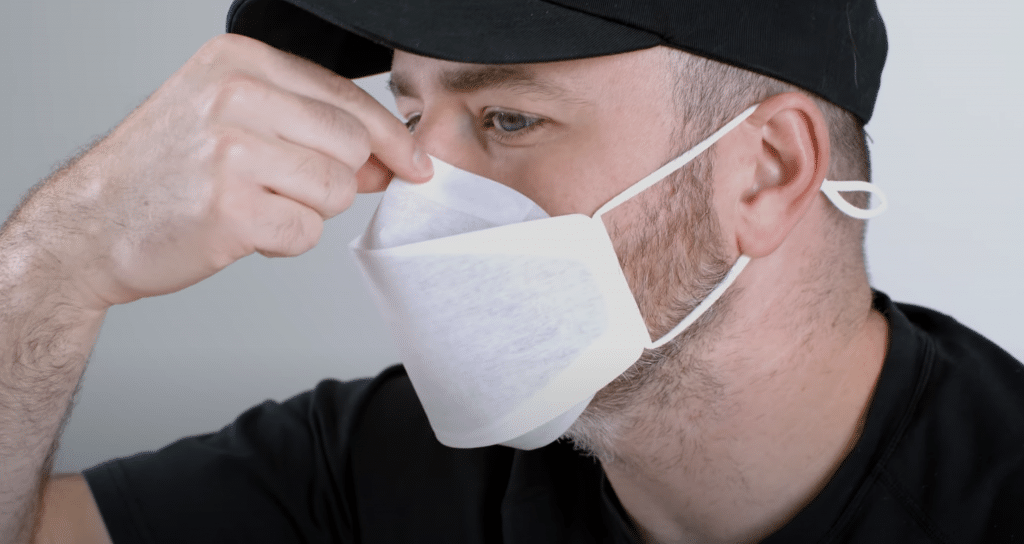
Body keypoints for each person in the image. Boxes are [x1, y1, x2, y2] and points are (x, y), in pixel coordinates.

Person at [1, 0, 1021, 542]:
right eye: (409, 116)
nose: (412, 191)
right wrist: (52, 267)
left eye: (507, 118)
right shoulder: (374, 468)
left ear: (766, 172)